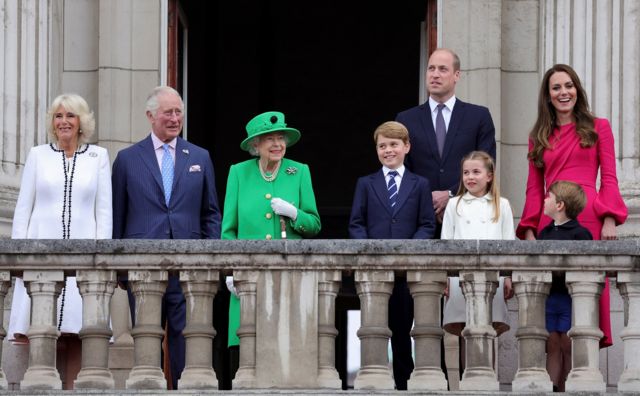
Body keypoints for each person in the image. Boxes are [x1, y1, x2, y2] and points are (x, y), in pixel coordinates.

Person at [111, 86, 222, 389]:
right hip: (143, 269)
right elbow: (117, 218)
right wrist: (119, 268)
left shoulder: (200, 156)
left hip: (189, 270)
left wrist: (209, 258)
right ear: (151, 116)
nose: (175, 119)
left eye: (179, 112)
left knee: (186, 344)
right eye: (168, 113)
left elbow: (211, 212)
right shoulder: (127, 159)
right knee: (147, 344)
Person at [516, 64, 628, 348]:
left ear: (577, 89)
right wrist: (529, 228)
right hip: (550, 222)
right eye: (556, 88)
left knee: (585, 300)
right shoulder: (538, 135)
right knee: (553, 307)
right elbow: (533, 188)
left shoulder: (598, 127)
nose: (563, 92)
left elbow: (610, 178)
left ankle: (584, 376)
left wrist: (610, 218)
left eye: (568, 85)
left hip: (588, 217)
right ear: (548, 95)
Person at [10, 93, 112, 388]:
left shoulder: (98, 157)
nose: (64, 121)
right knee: (41, 333)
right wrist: (19, 257)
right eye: (58, 116)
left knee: (79, 334)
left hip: (84, 261)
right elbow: (23, 210)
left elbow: (103, 213)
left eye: (70, 115)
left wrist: (102, 260)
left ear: (81, 122)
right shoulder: (37, 155)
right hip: (41, 258)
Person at [222, 111, 321, 376]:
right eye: (270, 139)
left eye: (281, 138)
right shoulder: (239, 173)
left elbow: (314, 225)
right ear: (256, 145)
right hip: (248, 278)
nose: (277, 144)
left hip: (288, 277)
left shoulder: (299, 171)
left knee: (287, 351)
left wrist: (294, 214)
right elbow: (228, 230)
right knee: (245, 352)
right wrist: (230, 271)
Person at [348, 121, 436, 390]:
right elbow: (356, 223)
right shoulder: (366, 183)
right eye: (382, 145)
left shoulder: (420, 184)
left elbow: (427, 225)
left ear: (406, 147)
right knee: (373, 331)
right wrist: (369, 252)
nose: (388, 150)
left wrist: (408, 251)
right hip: (374, 272)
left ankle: (402, 386)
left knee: (402, 332)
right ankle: (372, 385)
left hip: (405, 273)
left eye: (394, 144)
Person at [396, 48, 496, 231]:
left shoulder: (478, 116)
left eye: (442, 69)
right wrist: (429, 199)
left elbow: (487, 165)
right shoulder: (406, 120)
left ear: (456, 75)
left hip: (467, 216)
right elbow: (402, 170)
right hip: (419, 220)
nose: (435, 75)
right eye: (431, 68)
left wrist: (451, 194)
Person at [441, 151, 514, 375]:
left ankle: (487, 381)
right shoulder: (454, 204)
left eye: (476, 172)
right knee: (465, 331)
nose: (470, 177)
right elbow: (446, 242)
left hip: (493, 278)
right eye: (466, 173)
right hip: (460, 278)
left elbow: (509, 242)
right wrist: (445, 276)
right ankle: (467, 382)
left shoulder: (501, 204)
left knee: (488, 329)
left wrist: (508, 275)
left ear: (489, 176)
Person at [538, 180, 592, 392]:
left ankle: (568, 387)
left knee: (568, 345)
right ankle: (551, 387)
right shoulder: (545, 233)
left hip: (570, 299)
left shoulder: (581, 234)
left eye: (548, 196)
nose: (545, 200)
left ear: (559, 205)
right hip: (550, 297)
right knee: (551, 343)